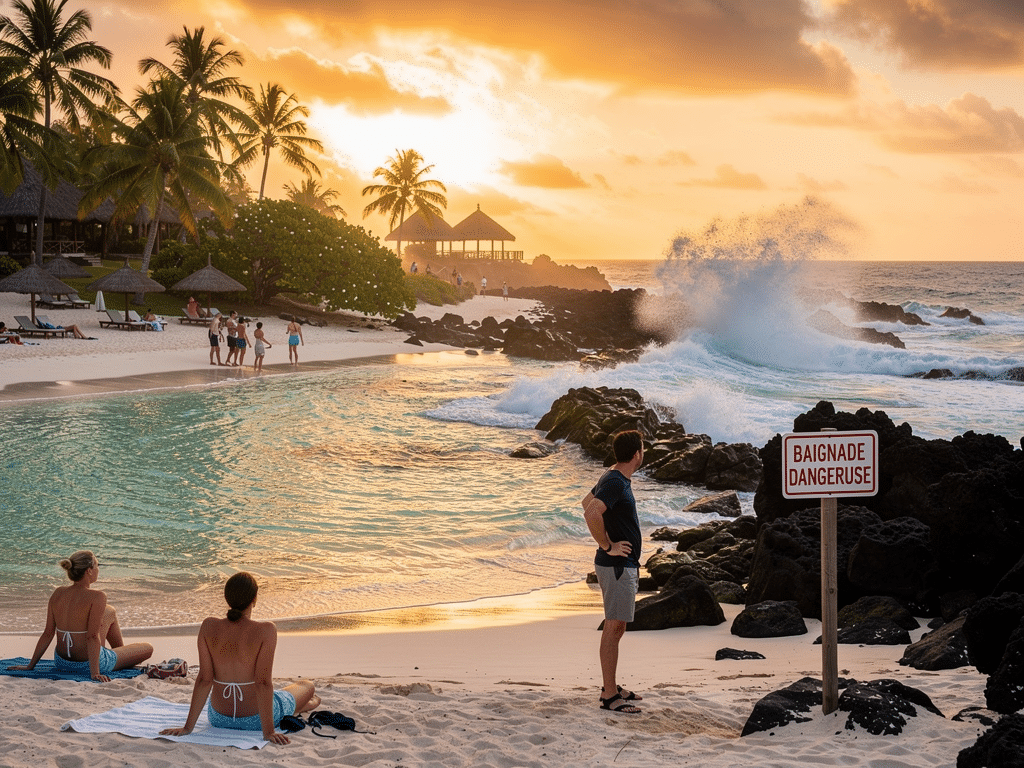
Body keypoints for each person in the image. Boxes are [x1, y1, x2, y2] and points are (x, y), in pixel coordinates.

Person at [160, 572, 318, 745]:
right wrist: (269, 732)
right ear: (254, 599)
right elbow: (262, 683)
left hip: (219, 718)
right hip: (256, 720)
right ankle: (301, 705)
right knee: (307, 685)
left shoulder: (208, 626)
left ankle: (302, 705)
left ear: (227, 598)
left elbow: (205, 680)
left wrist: (187, 728)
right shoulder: (266, 630)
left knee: (283, 695)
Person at [8, 551, 153, 681]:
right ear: (89, 571)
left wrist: (30, 666)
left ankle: (119, 656)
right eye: (97, 565)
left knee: (109, 611)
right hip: (88, 664)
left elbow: (47, 633)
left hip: (62, 662)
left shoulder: (58, 593)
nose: (98, 570)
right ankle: (121, 659)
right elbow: (92, 637)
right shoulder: (97, 596)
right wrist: (94, 673)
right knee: (147, 648)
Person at [581, 430, 645, 714]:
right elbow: (591, 512)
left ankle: (612, 685)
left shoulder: (613, 477)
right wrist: (608, 545)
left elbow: (586, 502)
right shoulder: (617, 482)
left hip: (620, 566)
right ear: (637, 454)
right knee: (614, 627)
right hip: (616, 565)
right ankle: (609, 694)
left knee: (617, 626)